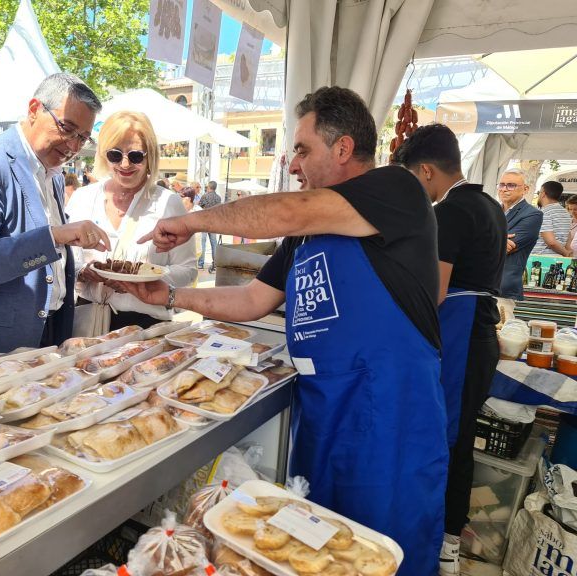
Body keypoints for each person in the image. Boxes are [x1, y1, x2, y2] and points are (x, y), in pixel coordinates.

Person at [122, 86, 448, 575]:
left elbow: (286, 209)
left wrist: (191, 221)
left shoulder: (396, 189)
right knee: (314, 550)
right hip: (321, 410)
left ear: (342, 149)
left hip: (389, 414)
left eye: (301, 148)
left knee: (382, 552)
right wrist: (168, 297)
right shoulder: (305, 233)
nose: (293, 164)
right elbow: (253, 299)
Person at [393, 124, 507, 576]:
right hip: (482, 334)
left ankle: (442, 542)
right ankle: (447, 536)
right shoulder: (491, 205)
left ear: (425, 171)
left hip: (460, 336)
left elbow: (434, 291)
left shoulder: (450, 212)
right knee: (458, 439)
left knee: (449, 441)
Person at [0, 73, 110, 369]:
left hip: (47, 337)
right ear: (34, 109)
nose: (73, 145)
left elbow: (44, 263)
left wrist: (78, 269)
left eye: (82, 138)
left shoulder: (53, 176)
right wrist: (54, 236)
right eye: (67, 128)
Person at [67, 111, 196, 329]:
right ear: (103, 155)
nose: (125, 164)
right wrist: (82, 271)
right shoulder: (83, 197)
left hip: (145, 324)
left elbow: (188, 269)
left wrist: (145, 278)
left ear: (150, 157)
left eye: (136, 156)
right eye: (115, 155)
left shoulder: (168, 202)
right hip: (87, 318)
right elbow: (64, 258)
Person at [498, 170, 543, 309]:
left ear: (525, 189)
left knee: (501, 329)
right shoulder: (492, 210)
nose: (504, 189)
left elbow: (507, 248)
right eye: (502, 185)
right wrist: (497, 239)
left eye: (511, 185)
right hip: (479, 284)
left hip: (502, 287)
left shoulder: (532, 214)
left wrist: (483, 239)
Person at [532, 180, 570, 256]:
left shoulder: (544, 213)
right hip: (558, 259)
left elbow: (551, 242)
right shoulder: (566, 213)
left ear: (543, 193)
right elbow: (568, 237)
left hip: (542, 259)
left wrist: (566, 253)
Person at [197, 180, 222, 272]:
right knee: (214, 244)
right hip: (214, 223)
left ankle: (200, 264)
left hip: (204, 222)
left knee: (202, 243)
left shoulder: (204, 196)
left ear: (209, 187)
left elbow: (199, 207)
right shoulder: (218, 198)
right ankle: (215, 264)